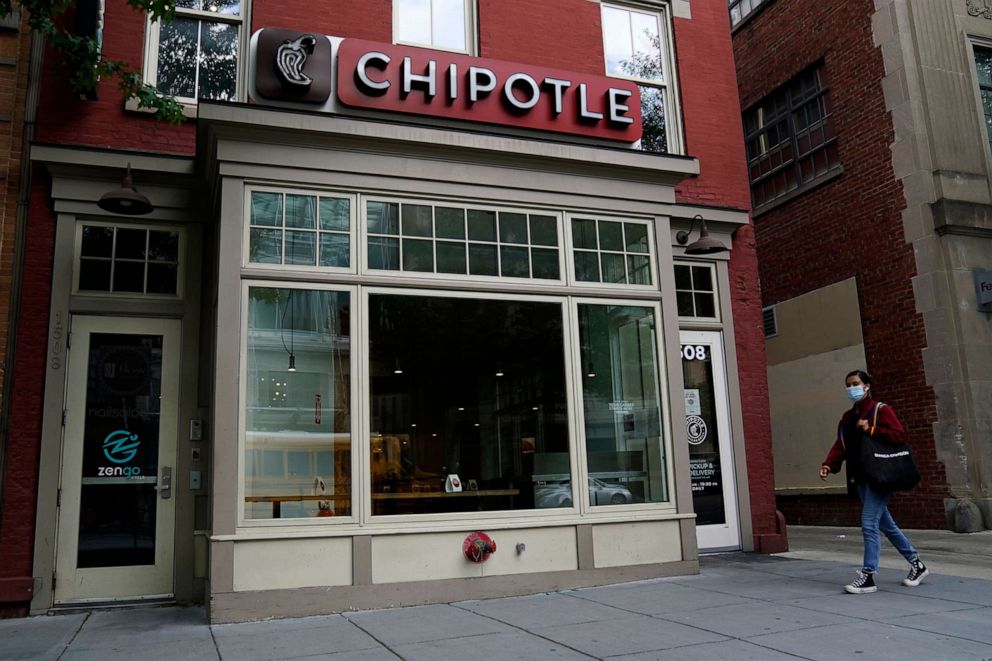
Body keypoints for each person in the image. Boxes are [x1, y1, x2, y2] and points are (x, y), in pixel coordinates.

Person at [819, 369, 928, 594]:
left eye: (856, 383)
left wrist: (872, 429)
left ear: (867, 386)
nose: (852, 388)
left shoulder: (880, 409)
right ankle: (917, 564)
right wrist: (829, 464)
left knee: (869, 524)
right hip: (860, 477)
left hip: (879, 476)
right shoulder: (848, 418)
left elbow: (899, 435)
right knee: (885, 525)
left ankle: (868, 575)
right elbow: (841, 445)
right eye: (848, 385)